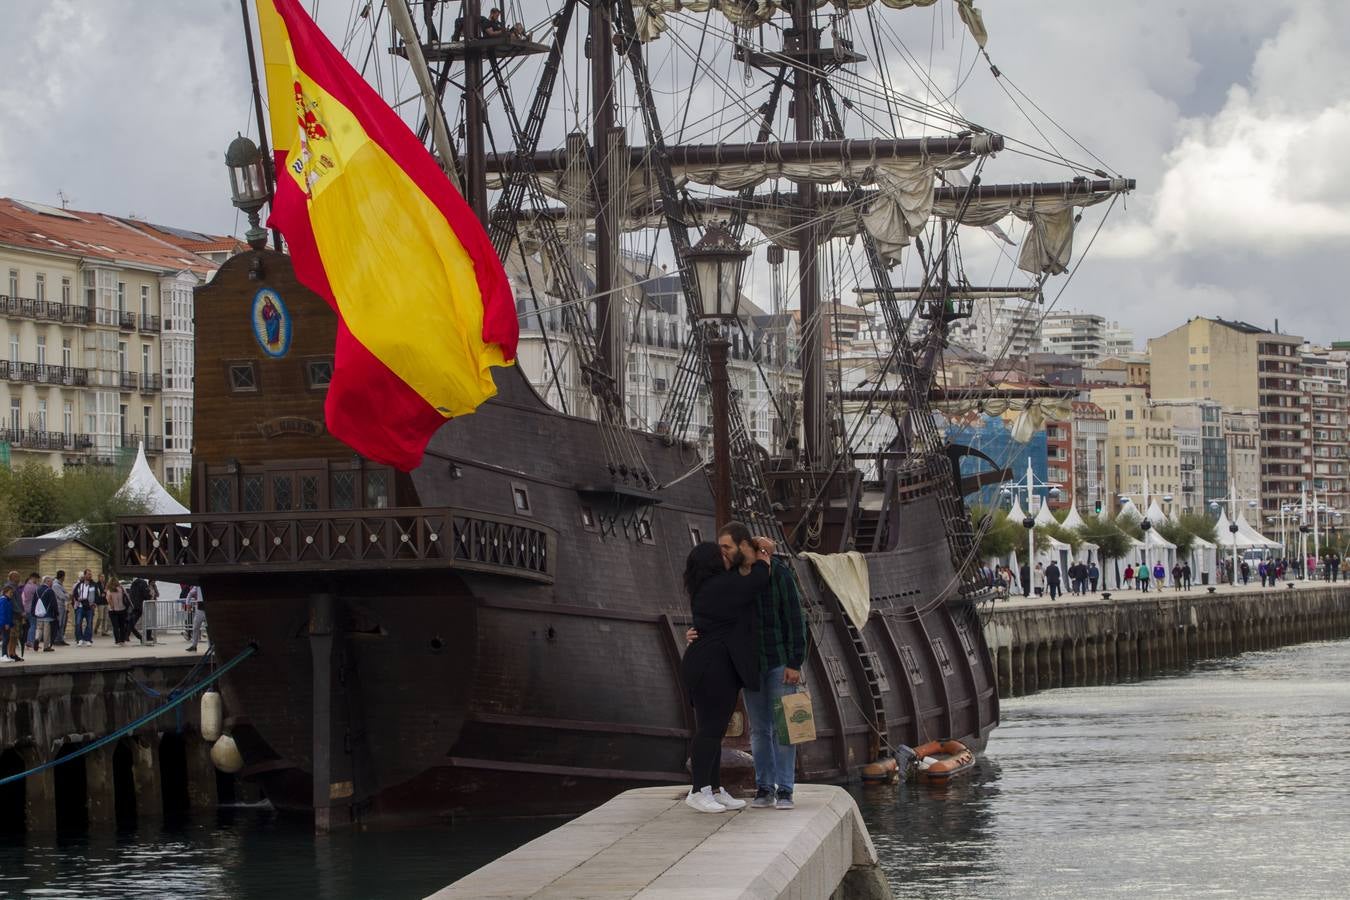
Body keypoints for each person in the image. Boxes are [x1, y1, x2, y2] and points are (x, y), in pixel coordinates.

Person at [679, 532, 771, 814]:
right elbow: (755, 580)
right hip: (711, 666)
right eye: (720, 553)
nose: (726, 555)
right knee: (709, 730)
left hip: (712, 664)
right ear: (711, 563)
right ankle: (699, 791)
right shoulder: (719, 586)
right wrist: (765, 558)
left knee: (714, 730)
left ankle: (714, 788)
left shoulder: (709, 588)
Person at [33, 576, 60, 652]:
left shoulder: (37, 590)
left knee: (39, 628)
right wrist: (56, 612)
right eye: (51, 581)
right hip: (48, 614)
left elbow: (34, 602)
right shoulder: (50, 591)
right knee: (46, 631)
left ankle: (37, 639)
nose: (52, 583)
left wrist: (33, 612)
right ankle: (46, 646)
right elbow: (53, 603)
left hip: (39, 613)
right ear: (47, 581)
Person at [72, 570, 97, 647]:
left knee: (89, 623)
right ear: (85, 575)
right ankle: (79, 639)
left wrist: (95, 602)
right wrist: (77, 598)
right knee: (78, 623)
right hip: (80, 606)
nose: (90, 576)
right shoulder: (79, 584)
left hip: (90, 606)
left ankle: (88, 639)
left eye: (91, 574)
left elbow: (97, 594)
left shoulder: (94, 585)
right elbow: (75, 593)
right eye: (88, 574)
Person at [105, 577, 129, 647]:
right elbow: (127, 596)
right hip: (122, 609)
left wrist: (112, 606)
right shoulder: (121, 588)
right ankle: (122, 641)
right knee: (122, 626)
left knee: (115, 626)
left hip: (113, 610)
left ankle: (117, 641)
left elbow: (108, 599)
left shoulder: (109, 590)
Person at [184, 584, 208, 652]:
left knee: (209, 629)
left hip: (208, 609)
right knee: (195, 628)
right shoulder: (197, 586)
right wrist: (188, 604)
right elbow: (190, 594)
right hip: (199, 610)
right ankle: (194, 646)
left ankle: (211, 646)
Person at [0, 584, 13, 663]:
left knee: (7, 639)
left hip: (7, 623)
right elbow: (3, 613)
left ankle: (5, 655)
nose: (11, 594)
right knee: (5, 639)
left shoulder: (7, 600)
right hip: (4, 623)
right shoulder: (3, 600)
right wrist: (6, 623)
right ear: (5, 592)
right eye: (10, 593)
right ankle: (3, 655)